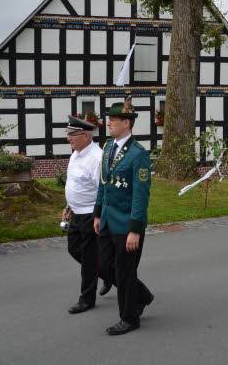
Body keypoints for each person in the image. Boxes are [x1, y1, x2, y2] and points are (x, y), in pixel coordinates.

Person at [94, 98, 153, 335]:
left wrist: (134, 229)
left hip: (127, 224)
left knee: (125, 272)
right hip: (108, 219)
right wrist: (98, 213)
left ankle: (129, 318)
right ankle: (143, 295)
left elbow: (141, 195)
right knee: (105, 266)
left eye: (113, 120)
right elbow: (103, 183)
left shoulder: (138, 154)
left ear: (126, 123)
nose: (108, 124)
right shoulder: (108, 147)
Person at [63, 115, 106, 314]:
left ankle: (87, 299)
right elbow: (75, 184)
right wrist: (69, 205)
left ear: (87, 136)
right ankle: (106, 274)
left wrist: (98, 216)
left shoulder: (96, 158)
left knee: (89, 259)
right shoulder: (76, 153)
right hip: (77, 213)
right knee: (73, 249)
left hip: (90, 215)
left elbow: (102, 192)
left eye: (73, 134)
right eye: (68, 134)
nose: (68, 138)